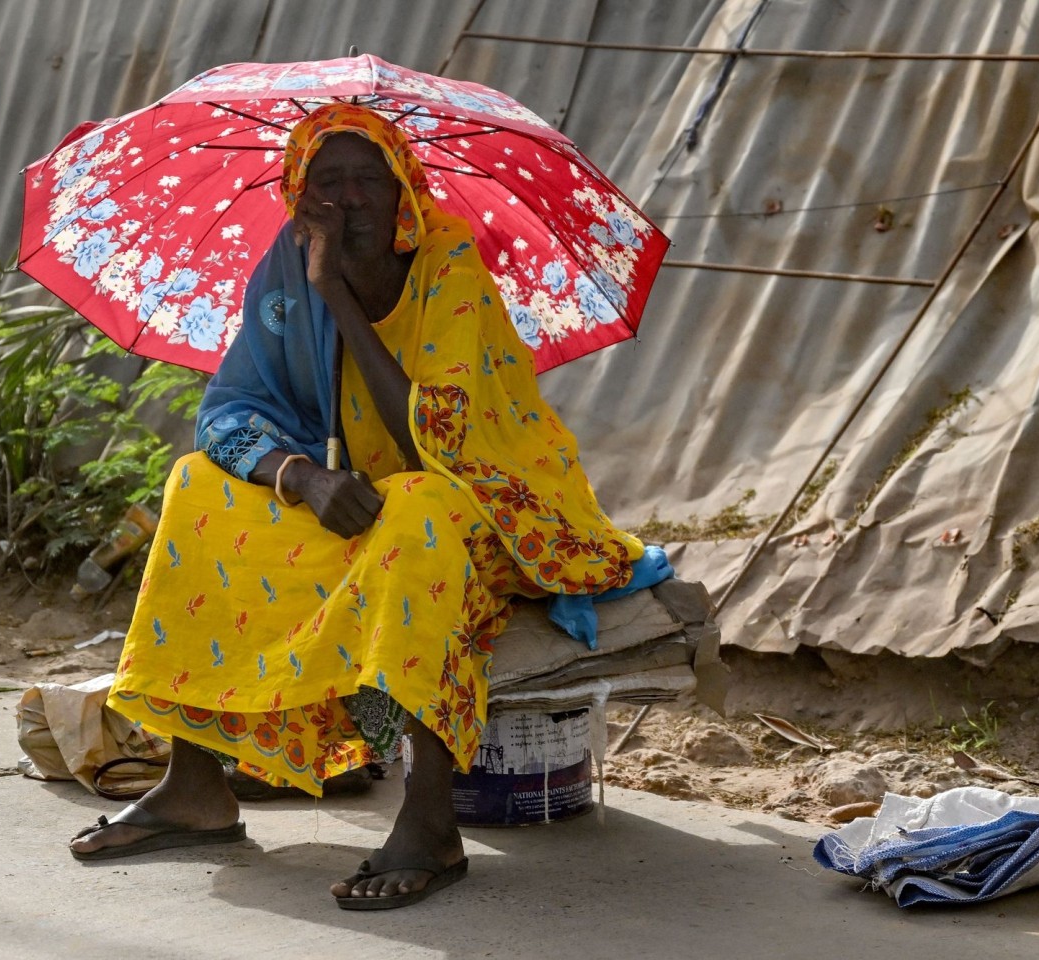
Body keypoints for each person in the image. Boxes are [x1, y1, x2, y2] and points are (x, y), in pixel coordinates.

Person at [69, 102, 645, 909]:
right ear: (300, 195)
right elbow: (229, 412)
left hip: (475, 496)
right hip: (345, 496)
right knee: (196, 482)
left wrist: (337, 292)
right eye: (327, 181)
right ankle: (195, 786)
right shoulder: (287, 262)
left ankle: (430, 820)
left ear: (402, 186)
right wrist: (299, 476)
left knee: (414, 509)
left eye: (368, 178)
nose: (349, 199)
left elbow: (431, 445)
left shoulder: (448, 264)